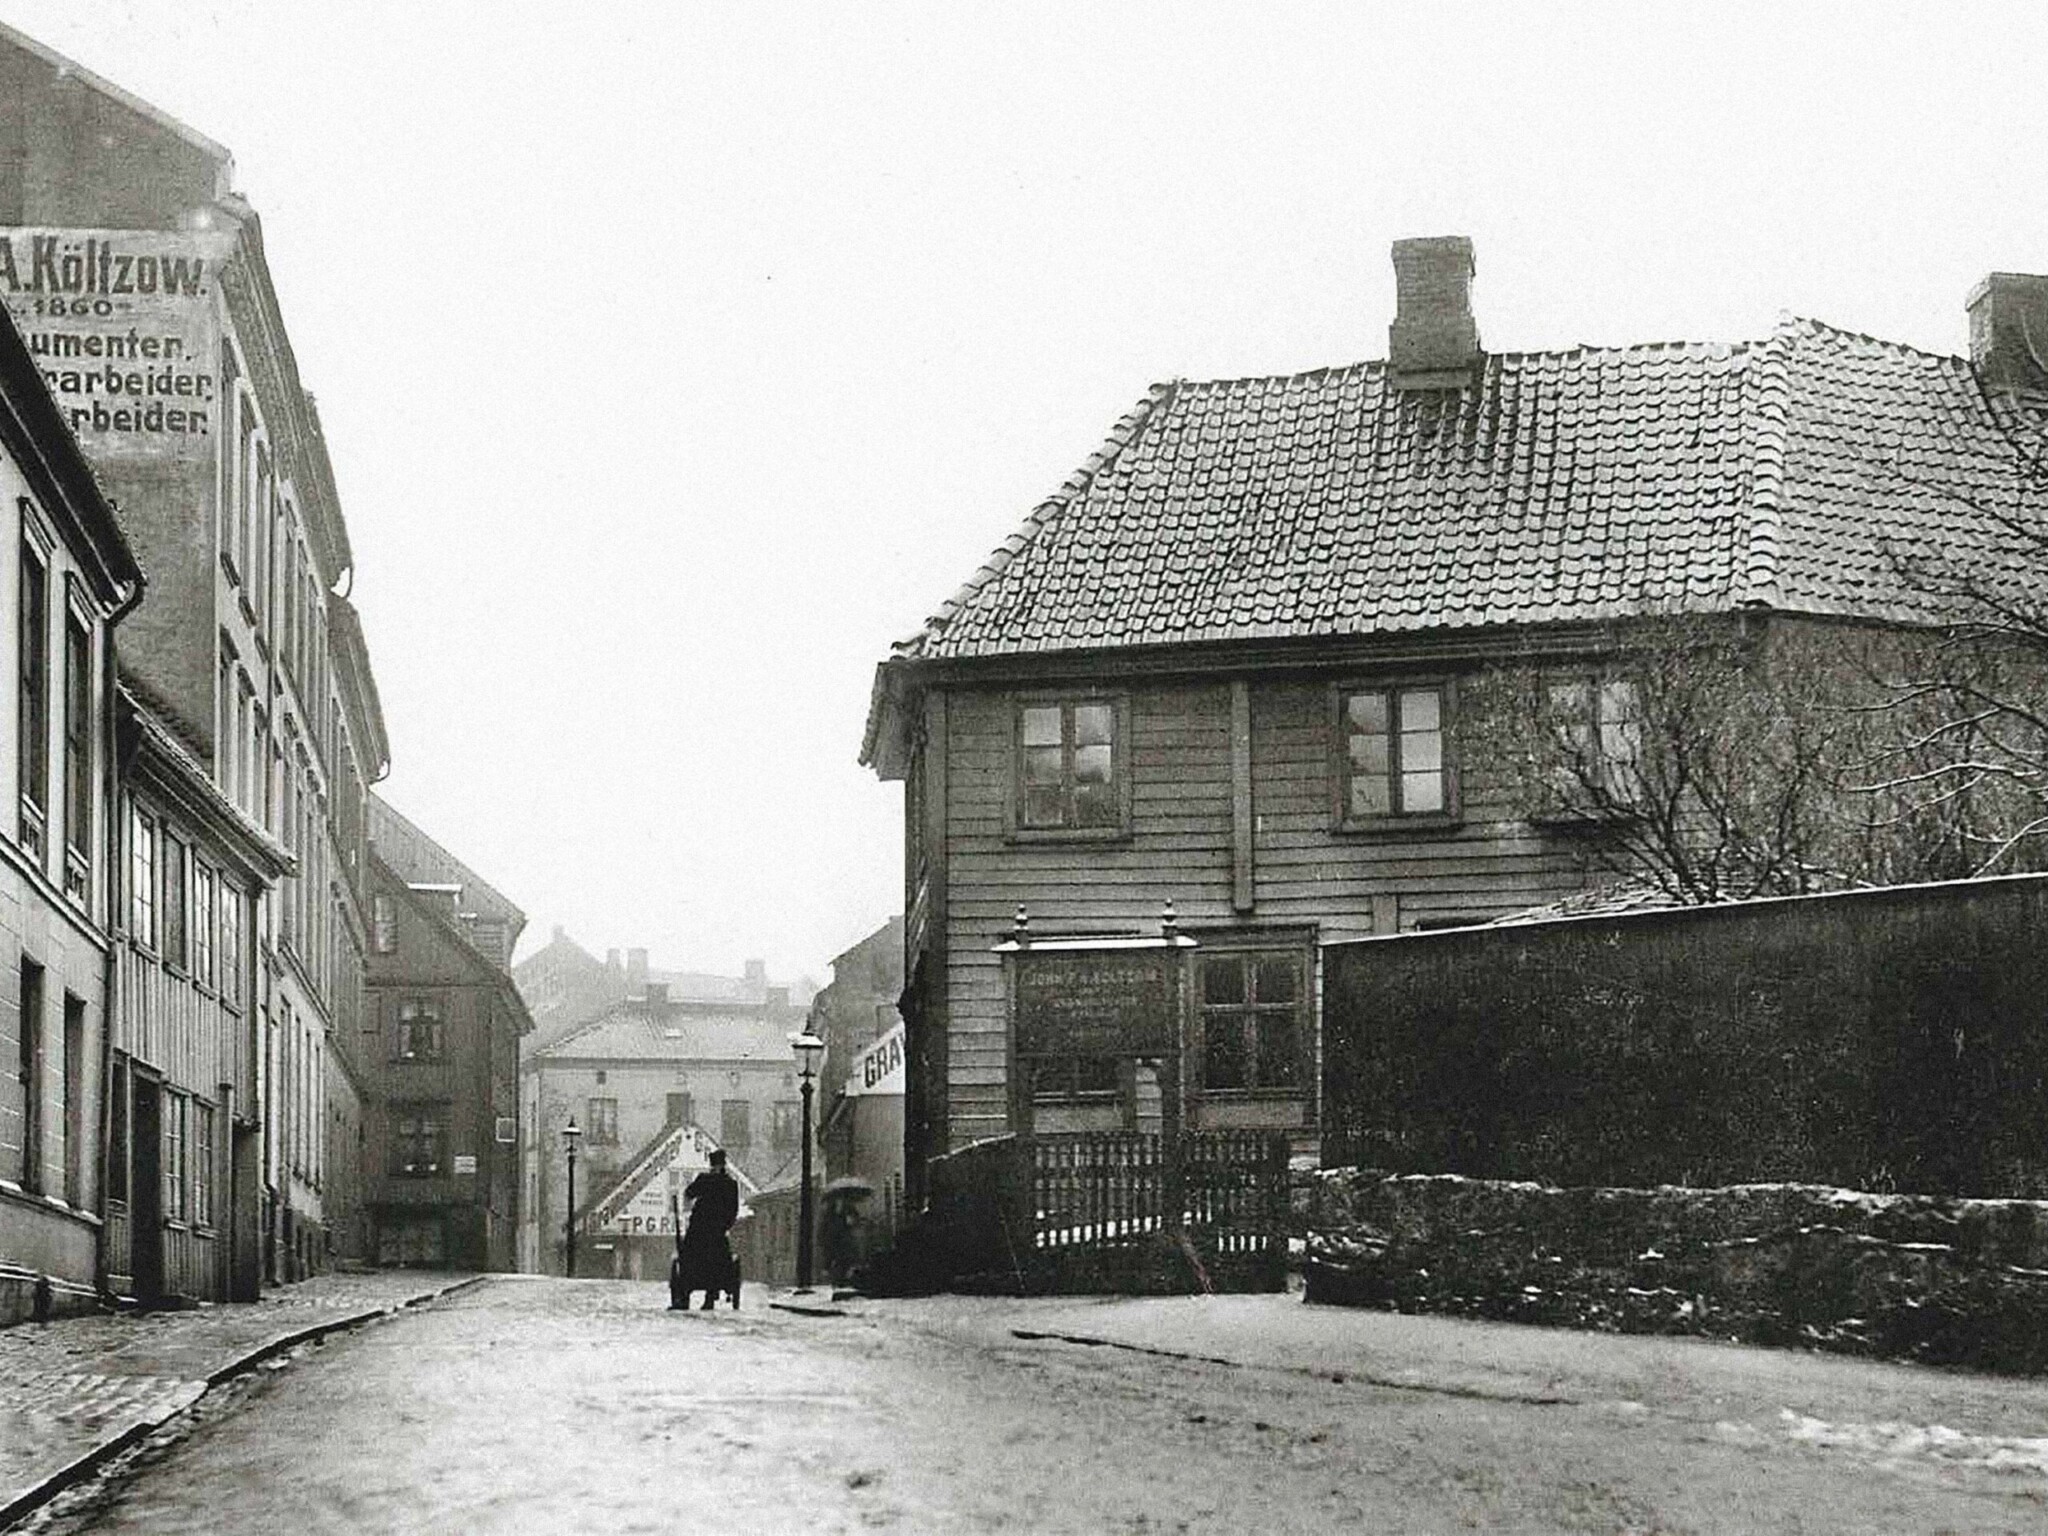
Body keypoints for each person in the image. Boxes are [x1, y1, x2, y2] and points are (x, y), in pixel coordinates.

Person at [672, 1149, 741, 1310]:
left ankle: (690, 1297)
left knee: (691, 1258)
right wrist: (725, 1225)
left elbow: (690, 1193)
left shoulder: (706, 1179)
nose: (714, 1168)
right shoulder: (729, 1183)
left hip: (702, 1228)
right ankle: (705, 1297)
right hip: (713, 1230)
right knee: (715, 1260)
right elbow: (733, 1209)